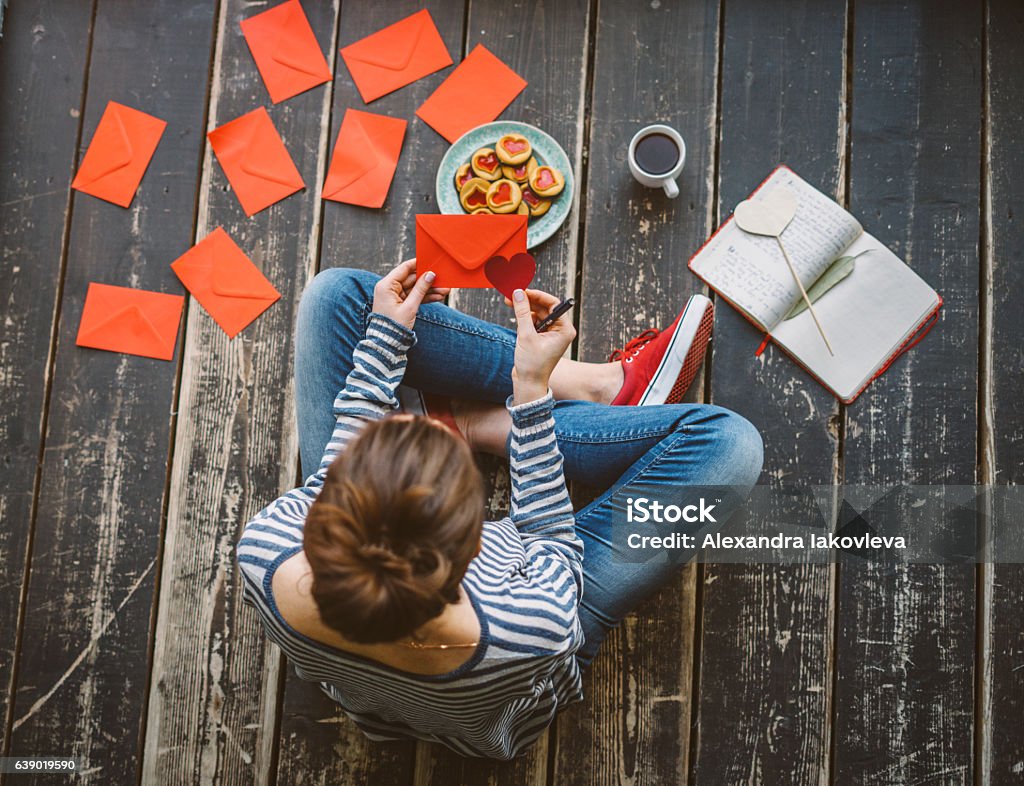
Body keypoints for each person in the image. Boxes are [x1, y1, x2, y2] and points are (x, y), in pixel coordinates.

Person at [236, 260, 763, 760]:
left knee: (335, 296)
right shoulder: (539, 622)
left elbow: (340, 458)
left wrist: (387, 340)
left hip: (376, 693)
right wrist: (530, 392)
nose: (392, 419)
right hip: (520, 667)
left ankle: (504, 409)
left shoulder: (263, 548)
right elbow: (549, 534)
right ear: (482, 539)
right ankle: (494, 420)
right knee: (731, 445)